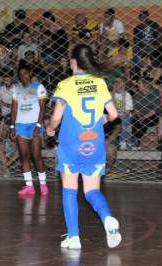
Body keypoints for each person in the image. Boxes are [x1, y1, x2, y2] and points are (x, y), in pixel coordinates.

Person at [46, 44, 122, 249]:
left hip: (71, 143)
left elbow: (56, 117)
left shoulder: (65, 85)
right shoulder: (99, 83)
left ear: (73, 62)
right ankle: (107, 219)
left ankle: (73, 237)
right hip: (94, 143)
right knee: (91, 191)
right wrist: (100, 121)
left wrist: (50, 129)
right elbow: (114, 115)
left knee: (69, 191)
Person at [10, 64, 48, 196]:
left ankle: (43, 184)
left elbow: (43, 107)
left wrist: (38, 125)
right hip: (20, 125)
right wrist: (12, 126)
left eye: (25, 73)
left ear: (30, 73)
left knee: (37, 156)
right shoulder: (16, 88)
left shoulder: (39, 87)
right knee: (24, 156)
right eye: (20, 74)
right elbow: (14, 108)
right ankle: (29, 185)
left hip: (34, 125)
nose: (23, 76)